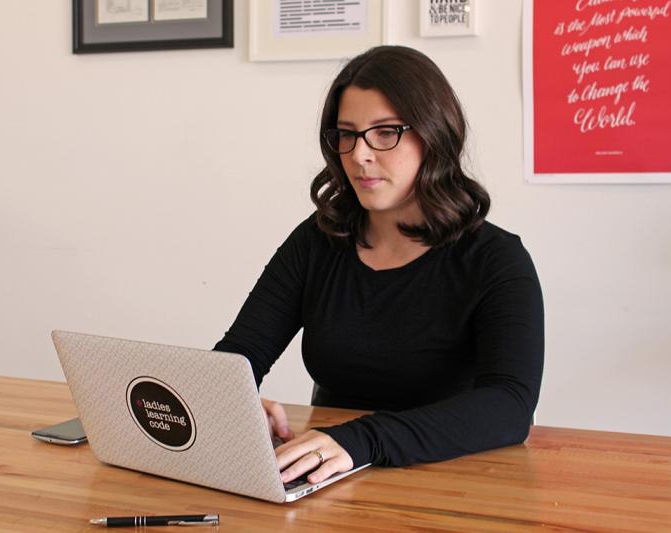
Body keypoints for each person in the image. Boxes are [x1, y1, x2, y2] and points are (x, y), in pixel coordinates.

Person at [214, 45, 543, 487]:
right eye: (346, 134)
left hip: (452, 479)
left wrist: (361, 439)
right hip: (333, 480)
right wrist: (235, 399)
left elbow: (509, 406)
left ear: (434, 134)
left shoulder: (496, 259)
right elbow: (238, 356)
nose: (359, 155)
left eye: (385, 132)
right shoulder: (318, 241)